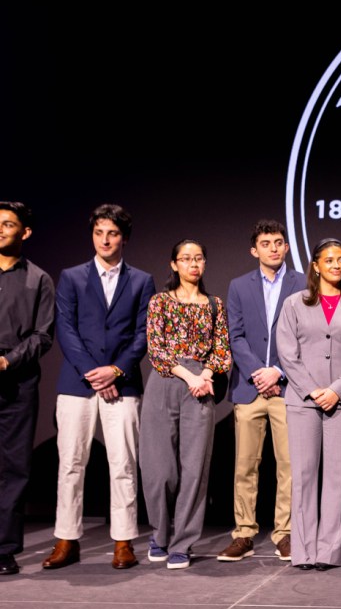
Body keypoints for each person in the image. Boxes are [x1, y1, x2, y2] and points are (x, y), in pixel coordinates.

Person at [45, 204, 155, 571]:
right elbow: (66, 329)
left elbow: (143, 334)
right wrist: (95, 372)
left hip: (122, 385)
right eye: (99, 233)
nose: (105, 240)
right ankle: (66, 539)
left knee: (123, 463)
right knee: (71, 463)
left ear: (124, 237)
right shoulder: (72, 276)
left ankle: (123, 541)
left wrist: (116, 370)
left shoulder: (141, 280)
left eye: (112, 233)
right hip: (77, 383)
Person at [276, 238, 341, 570]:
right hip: (303, 401)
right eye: (329, 260)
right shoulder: (294, 304)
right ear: (315, 265)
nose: (336, 265)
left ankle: (329, 551)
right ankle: (303, 552)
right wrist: (313, 390)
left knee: (338, 477)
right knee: (303, 475)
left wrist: (336, 391)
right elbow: (287, 354)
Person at [140, 239, 231, 570]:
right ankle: (159, 535)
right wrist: (188, 376)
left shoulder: (214, 304)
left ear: (205, 264)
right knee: (159, 469)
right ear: (174, 264)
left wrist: (205, 373)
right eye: (186, 259)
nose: (193, 264)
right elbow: (157, 348)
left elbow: (221, 349)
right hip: (167, 380)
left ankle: (183, 543)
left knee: (195, 469)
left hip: (201, 384)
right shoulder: (160, 301)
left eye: (199, 259)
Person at [217, 220, 304, 564]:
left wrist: (278, 371)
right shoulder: (239, 286)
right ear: (255, 250)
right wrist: (258, 372)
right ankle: (244, 533)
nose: (273, 248)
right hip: (249, 388)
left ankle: (284, 533)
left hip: (286, 387)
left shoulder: (301, 283)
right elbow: (234, 335)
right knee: (245, 466)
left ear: (285, 247)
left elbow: (302, 335)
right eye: (265, 243)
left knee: (289, 465)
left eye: (278, 242)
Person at [0, 201, 55, 576]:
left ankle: (4, 549)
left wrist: (8, 361)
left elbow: (43, 334)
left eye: (7, 224)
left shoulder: (39, 278)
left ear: (25, 232)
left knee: (14, 469)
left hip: (16, 381)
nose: (0, 229)